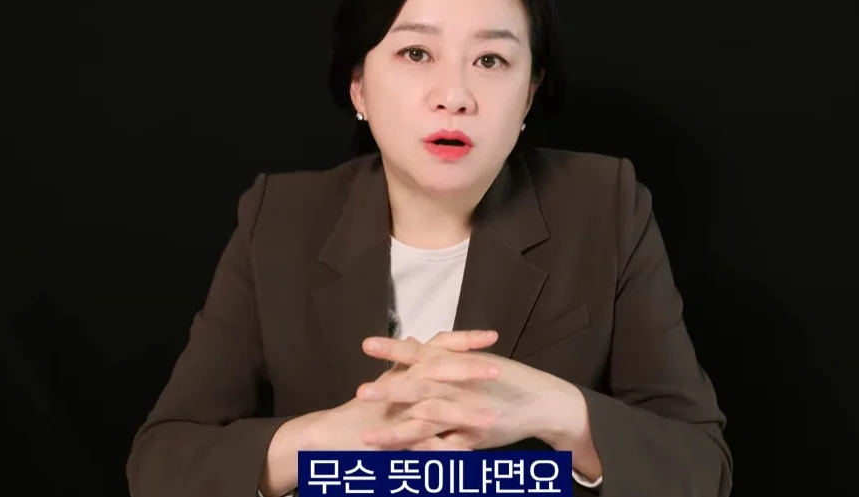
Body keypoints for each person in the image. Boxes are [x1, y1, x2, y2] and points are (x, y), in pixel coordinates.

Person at [125, 0, 733, 496]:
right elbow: (163, 462)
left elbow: (701, 465)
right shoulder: (280, 218)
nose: (455, 95)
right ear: (359, 87)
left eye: (491, 59)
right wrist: (329, 439)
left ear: (528, 94)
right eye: (416, 53)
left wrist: (557, 411)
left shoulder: (605, 206)